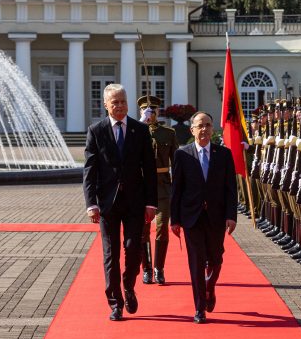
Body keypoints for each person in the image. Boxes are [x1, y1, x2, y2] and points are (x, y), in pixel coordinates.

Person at [83, 83, 157, 321]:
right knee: (110, 253)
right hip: (107, 204)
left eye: (123, 101)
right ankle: (115, 302)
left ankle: (129, 285)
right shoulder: (96, 131)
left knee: (133, 249)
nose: (120, 106)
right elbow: (90, 170)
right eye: (114, 102)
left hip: (135, 202)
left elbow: (150, 170)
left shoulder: (139, 130)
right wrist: (91, 203)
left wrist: (151, 202)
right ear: (105, 105)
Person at [170, 112, 238, 323]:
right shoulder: (182, 154)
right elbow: (177, 189)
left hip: (217, 217)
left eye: (208, 125)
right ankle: (199, 307)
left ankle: (210, 286)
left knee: (216, 259)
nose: (204, 130)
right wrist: (175, 219)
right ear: (192, 130)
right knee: (197, 262)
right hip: (192, 217)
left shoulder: (224, 154)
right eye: (200, 126)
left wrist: (231, 215)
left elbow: (230, 189)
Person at [138, 96, 179, 286]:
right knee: (143, 230)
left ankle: (158, 268)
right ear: (141, 112)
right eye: (146, 111)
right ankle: (146, 269)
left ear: (158, 112)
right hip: (143, 186)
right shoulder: (135, 131)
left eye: (153, 110)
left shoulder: (168, 134)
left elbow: (176, 163)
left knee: (162, 228)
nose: (150, 114)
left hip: (163, 185)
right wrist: (140, 125)